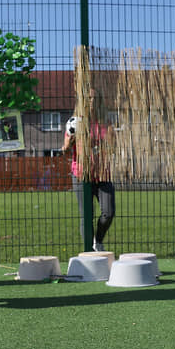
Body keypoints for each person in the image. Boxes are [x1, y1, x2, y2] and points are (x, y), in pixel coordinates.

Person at [60, 96, 115, 252]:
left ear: (99, 101)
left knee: (108, 212)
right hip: (81, 175)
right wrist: (70, 142)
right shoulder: (75, 122)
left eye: (94, 98)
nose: (91, 100)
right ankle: (88, 251)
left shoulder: (105, 122)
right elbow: (65, 148)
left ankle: (98, 241)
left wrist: (99, 144)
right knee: (87, 215)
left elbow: (113, 145)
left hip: (102, 175)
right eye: (88, 98)